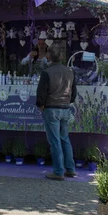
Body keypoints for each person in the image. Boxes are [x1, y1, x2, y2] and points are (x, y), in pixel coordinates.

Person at [36, 45, 78, 181]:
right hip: (65, 108)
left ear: (49, 56)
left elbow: (41, 93)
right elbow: (74, 93)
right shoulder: (70, 71)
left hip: (51, 108)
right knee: (65, 139)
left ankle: (58, 171)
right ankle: (70, 169)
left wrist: (41, 105)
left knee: (55, 141)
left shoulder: (47, 72)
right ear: (61, 57)